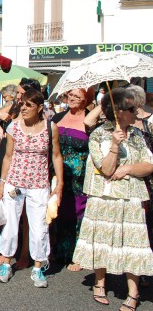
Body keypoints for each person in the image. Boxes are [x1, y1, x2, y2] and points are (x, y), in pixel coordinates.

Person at [73, 88, 153, 310]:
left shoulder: (137, 135)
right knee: (102, 241)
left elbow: (149, 164)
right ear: (117, 112)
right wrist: (116, 146)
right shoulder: (99, 134)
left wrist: (127, 168)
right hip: (104, 197)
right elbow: (106, 169)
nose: (136, 111)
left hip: (131, 197)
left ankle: (133, 293)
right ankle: (99, 284)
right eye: (130, 108)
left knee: (133, 244)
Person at [0, 89, 64, 288]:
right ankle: (6, 263)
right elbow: (8, 156)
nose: (23, 108)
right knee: (10, 224)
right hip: (14, 182)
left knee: (39, 226)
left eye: (29, 105)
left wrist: (59, 184)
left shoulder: (51, 128)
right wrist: (1, 181)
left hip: (39, 183)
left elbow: (56, 156)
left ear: (40, 108)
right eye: (22, 104)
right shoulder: (13, 127)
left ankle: (38, 267)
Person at [51, 87, 94, 271]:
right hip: (59, 173)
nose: (72, 97)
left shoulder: (92, 120)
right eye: (70, 93)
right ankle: (59, 250)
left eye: (78, 95)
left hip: (80, 176)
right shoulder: (57, 118)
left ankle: (78, 255)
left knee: (79, 213)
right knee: (58, 211)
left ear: (86, 99)